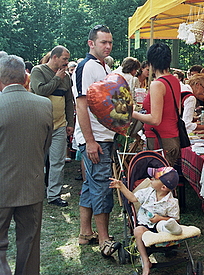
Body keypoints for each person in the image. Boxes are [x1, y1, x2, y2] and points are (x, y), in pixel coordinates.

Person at [0, 55, 53, 275]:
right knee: (29, 246)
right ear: (26, 78)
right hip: (32, 184)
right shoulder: (44, 105)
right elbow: (45, 145)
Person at [72, 25, 120, 256]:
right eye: (103, 42)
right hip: (96, 139)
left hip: (103, 136)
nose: (108, 46)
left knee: (91, 185)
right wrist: (90, 141)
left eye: (110, 42)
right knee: (102, 187)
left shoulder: (102, 66)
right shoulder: (86, 67)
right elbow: (81, 105)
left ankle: (85, 233)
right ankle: (104, 239)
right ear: (91, 43)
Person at [109, 167, 182, 275]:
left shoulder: (172, 202)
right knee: (138, 230)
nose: (150, 179)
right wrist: (121, 187)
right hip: (145, 225)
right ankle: (145, 260)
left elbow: (175, 219)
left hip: (160, 226)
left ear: (163, 187)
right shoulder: (147, 192)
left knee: (165, 223)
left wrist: (160, 218)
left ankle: (174, 229)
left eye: (154, 178)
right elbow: (133, 198)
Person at [30, 45, 74, 207]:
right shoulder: (38, 71)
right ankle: (33, 191)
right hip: (39, 123)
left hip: (60, 124)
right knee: (37, 160)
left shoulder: (67, 77)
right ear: (54, 57)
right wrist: (57, 78)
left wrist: (70, 122)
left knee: (57, 161)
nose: (66, 62)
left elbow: (69, 100)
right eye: (64, 59)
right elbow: (40, 91)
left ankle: (54, 194)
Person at [132, 43, 182, 167]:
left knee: (159, 182)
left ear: (151, 62)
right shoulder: (174, 80)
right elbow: (178, 110)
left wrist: (131, 113)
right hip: (172, 137)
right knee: (166, 180)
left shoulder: (157, 84)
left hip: (160, 140)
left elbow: (155, 119)